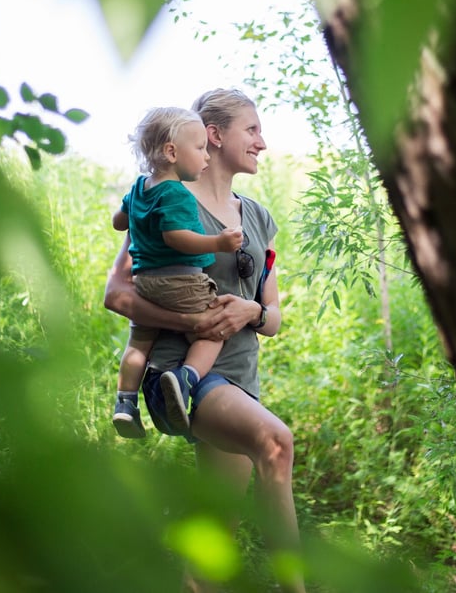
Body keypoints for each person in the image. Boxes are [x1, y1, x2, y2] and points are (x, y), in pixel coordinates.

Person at [104, 88, 306, 593]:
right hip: (184, 377)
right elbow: (117, 294)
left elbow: (274, 316)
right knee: (277, 443)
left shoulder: (257, 218)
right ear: (214, 136)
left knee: (213, 546)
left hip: (240, 379)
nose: (263, 141)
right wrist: (192, 323)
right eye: (252, 130)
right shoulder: (167, 201)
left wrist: (251, 310)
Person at [112, 106, 244, 439]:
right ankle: (186, 379)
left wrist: (137, 217)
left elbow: (118, 221)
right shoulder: (176, 193)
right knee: (214, 331)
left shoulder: (140, 187)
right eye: (200, 149)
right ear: (171, 152)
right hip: (182, 281)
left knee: (139, 344)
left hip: (145, 283)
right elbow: (176, 238)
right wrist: (218, 241)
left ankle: (125, 404)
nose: (207, 157)